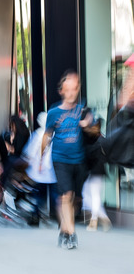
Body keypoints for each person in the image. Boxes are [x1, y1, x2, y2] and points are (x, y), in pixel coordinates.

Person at [41, 70, 88, 250]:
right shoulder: (53, 112)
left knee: (75, 199)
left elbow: (93, 129)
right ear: (61, 91)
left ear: (77, 90)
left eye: (74, 89)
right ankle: (70, 233)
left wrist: (88, 125)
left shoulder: (82, 110)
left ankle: (64, 228)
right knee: (66, 195)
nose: (70, 93)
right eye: (67, 90)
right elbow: (47, 135)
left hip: (79, 160)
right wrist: (41, 158)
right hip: (60, 159)